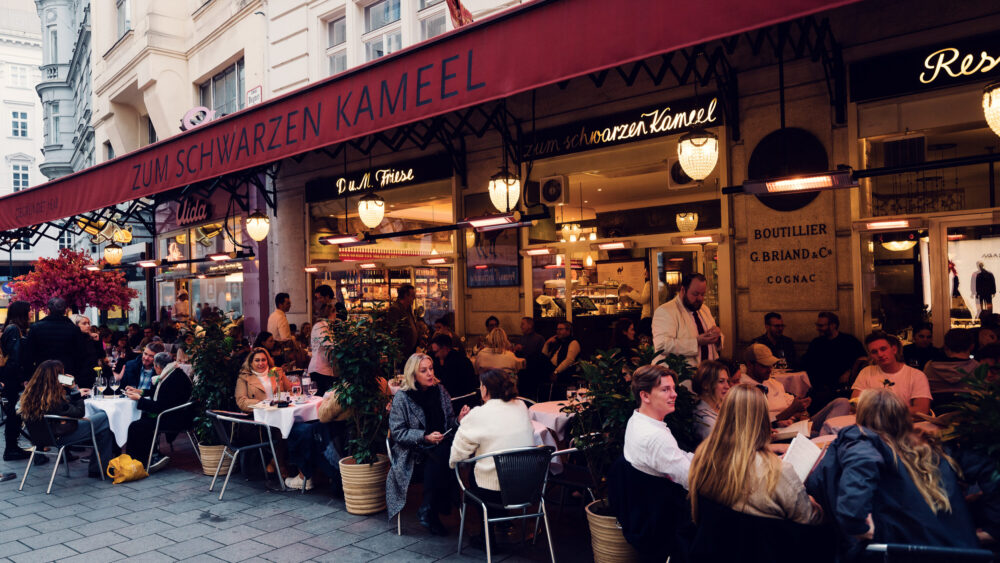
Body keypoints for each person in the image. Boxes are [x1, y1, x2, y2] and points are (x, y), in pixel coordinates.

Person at [806, 389, 978, 560]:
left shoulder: (862, 439)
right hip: (954, 549)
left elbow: (861, 466)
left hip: (904, 551)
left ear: (862, 415)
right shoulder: (924, 447)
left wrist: (856, 524)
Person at [689, 384, 823, 525]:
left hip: (715, 543)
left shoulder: (702, 456)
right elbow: (810, 519)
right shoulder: (777, 472)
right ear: (762, 419)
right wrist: (813, 502)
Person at [387, 353, 470, 535]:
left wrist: (458, 419)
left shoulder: (440, 391)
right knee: (445, 455)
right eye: (423, 371)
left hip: (439, 447)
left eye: (431, 369)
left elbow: (449, 422)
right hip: (413, 452)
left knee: (443, 452)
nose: (430, 374)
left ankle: (428, 509)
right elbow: (397, 432)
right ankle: (431, 511)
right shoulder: (402, 397)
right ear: (413, 375)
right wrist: (424, 437)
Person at [449, 369, 535, 506]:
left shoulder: (479, 414)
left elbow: (457, 455)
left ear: (485, 389)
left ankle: (488, 523)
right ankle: (504, 523)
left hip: (493, 490)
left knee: (471, 472)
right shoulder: (521, 406)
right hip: (527, 486)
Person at [18, 360, 114, 477]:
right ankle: (99, 469)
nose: (63, 377)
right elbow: (79, 413)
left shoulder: (32, 395)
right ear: (55, 377)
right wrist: (74, 389)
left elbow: (60, 406)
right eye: (62, 374)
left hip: (40, 438)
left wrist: (73, 395)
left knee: (103, 429)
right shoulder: (54, 399)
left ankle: (98, 468)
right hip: (60, 437)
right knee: (105, 417)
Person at [623, 364, 693, 487]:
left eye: (673, 388)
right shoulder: (656, 437)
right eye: (665, 389)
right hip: (666, 503)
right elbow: (693, 479)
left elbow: (679, 456)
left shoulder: (636, 419)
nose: (674, 394)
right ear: (645, 396)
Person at [124, 352, 192, 473]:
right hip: (177, 414)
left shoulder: (170, 380)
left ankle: (138, 462)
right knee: (142, 420)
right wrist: (140, 392)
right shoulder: (172, 373)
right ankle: (152, 454)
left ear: (157, 366)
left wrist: (139, 399)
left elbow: (159, 407)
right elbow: (158, 393)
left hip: (174, 418)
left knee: (136, 426)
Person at [852, 331, 932, 417]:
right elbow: (854, 404)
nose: (880, 354)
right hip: (871, 425)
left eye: (883, 349)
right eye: (874, 352)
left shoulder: (916, 375)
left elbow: (922, 410)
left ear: (894, 349)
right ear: (870, 355)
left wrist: (884, 411)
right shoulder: (866, 372)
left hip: (904, 425)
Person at [652, 273, 722, 367]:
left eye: (702, 294)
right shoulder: (665, 311)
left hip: (708, 374)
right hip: (681, 376)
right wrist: (697, 342)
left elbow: (714, 341)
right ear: (683, 290)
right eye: (695, 294)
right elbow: (662, 345)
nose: (700, 298)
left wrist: (717, 336)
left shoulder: (704, 309)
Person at [802, 312, 866, 410]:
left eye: (821, 325)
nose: (817, 328)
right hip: (820, 387)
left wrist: (850, 371)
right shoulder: (816, 343)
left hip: (842, 387)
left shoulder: (849, 341)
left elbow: (863, 358)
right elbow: (807, 363)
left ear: (833, 325)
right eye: (817, 325)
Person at [22, 297, 90, 381]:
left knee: (45, 393)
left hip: (43, 374)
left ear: (48, 310)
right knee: (65, 393)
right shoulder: (73, 329)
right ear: (65, 311)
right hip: (66, 374)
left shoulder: (36, 328)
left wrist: (28, 377)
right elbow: (81, 355)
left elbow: (29, 355)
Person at [741, 344, 810, 425]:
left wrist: (802, 410)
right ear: (750, 364)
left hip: (792, 426)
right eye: (765, 366)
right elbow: (759, 425)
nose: (770, 370)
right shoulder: (742, 389)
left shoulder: (774, 383)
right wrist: (791, 411)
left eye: (771, 365)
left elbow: (796, 407)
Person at [2, 301, 32, 461]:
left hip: (13, 378)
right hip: (14, 379)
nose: (31, 313)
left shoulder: (14, 329)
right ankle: (11, 449)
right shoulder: (14, 330)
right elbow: (15, 358)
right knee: (14, 414)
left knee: (15, 414)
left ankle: (13, 448)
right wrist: (22, 380)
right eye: (29, 311)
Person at [922, 329, 978, 406]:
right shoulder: (979, 369)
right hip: (970, 416)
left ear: (945, 347)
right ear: (972, 346)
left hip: (937, 415)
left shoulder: (930, 367)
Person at [235, 348, 293, 412]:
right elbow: (241, 401)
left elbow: (290, 392)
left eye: (263, 360)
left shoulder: (277, 372)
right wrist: (263, 404)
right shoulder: (243, 377)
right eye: (257, 360)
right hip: (259, 416)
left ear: (267, 361)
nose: (261, 363)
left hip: (282, 411)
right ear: (251, 362)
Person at [691, 360, 731, 442]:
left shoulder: (722, 408)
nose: (727, 386)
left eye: (727, 381)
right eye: (721, 381)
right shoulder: (704, 419)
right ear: (705, 384)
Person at [429, 333, 477, 399]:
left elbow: (453, 387)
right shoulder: (439, 359)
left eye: (436, 352)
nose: (435, 355)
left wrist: (438, 383)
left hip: (459, 399)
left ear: (445, 348)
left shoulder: (460, 362)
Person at [307, 304, 337, 394]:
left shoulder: (327, 327)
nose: (336, 315)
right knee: (321, 399)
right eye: (334, 312)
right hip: (319, 369)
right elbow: (329, 344)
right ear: (329, 313)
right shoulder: (320, 326)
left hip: (326, 369)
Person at [542, 320, 581, 386]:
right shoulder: (557, 343)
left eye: (560, 329)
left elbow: (569, 360)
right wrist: (547, 344)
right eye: (557, 329)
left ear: (568, 331)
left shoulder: (573, 343)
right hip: (551, 368)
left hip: (564, 372)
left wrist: (555, 372)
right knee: (536, 360)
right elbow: (544, 357)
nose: (558, 332)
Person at [72, 315, 106, 389]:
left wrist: (97, 342)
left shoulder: (91, 339)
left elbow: (101, 355)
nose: (88, 326)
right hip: (79, 375)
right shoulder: (73, 340)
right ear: (76, 325)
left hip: (92, 374)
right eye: (84, 323)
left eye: (88, 323)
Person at [387, 283, 418, 359]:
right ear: (405, 296)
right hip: (403, 352)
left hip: (410, 351)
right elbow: (393, 332)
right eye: (412, 296)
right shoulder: (395, 309)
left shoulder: (408, 308)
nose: (414, 298)